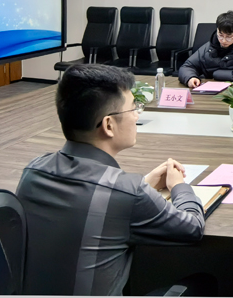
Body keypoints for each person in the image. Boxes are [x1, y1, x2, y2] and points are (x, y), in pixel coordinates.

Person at [16, 64, 205, 295]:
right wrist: (178, 186)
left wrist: (145, 183)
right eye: (133, 108)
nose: (137, 115)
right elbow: (192, 228)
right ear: (108, 125)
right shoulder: (127, 191)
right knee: (202, 283)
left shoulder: (33, 170)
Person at [178, 10, 233, 87]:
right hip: (211, 91)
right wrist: (190, 78)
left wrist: (218, 74)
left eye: (229, 37)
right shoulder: (210, 46)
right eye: (220, 35)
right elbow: (187, 67)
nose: (223, 40)